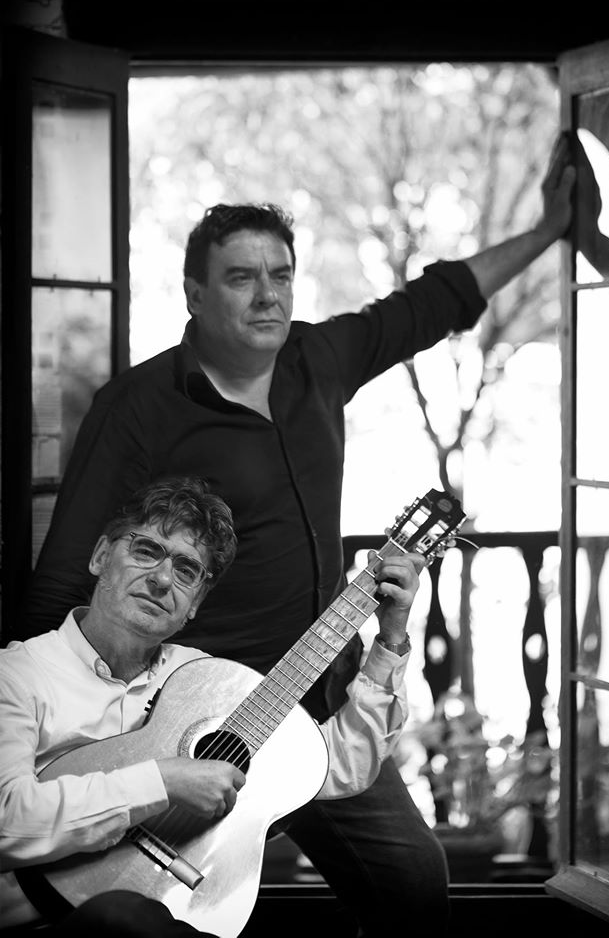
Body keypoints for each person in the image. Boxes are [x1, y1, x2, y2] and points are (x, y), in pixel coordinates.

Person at [22, 133, 576, 936]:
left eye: (280, 275)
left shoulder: (319, 357)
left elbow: (433, 303)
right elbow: (62, 578)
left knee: (414, 884)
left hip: (317, 702)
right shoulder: (138, 408)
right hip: (191, 719)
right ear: (194, 294)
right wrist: (54, 743)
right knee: (170, 915)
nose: (267, 297)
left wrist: (549, 228)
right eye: (241, 278)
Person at [1, 476, 423, 937]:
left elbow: (338, 764)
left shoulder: (202, 679)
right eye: (146, 550)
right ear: (101, 556)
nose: (163, 579)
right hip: (41, 922)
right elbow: (6, 820)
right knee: (121, 919)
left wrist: (390, 638)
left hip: (177, 914)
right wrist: (165, 782)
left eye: (186, 571)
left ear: (195, 604)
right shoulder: (16, 674)